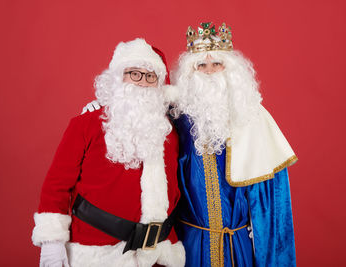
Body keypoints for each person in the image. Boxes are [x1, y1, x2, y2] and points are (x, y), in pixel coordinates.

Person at [32, 38, 185, 267]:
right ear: (118, 78)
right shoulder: (85, 124)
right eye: (134, 73)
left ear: (160, 85)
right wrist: (52, 242)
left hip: (158, 255)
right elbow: (57, 185)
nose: (142, 82)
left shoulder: (169, 132)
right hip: (98, 253)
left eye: (150, 76)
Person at [167, 22, 298, 267]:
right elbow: (136, 117)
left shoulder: (251, 116)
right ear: (189, 73)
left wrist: (261, 238)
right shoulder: (175, 117)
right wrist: (98, 110)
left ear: (231, 70)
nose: (209, 71)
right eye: (201, 65)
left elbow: (271, 195)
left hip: (238, 245)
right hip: (190, 245)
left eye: (217, 64)